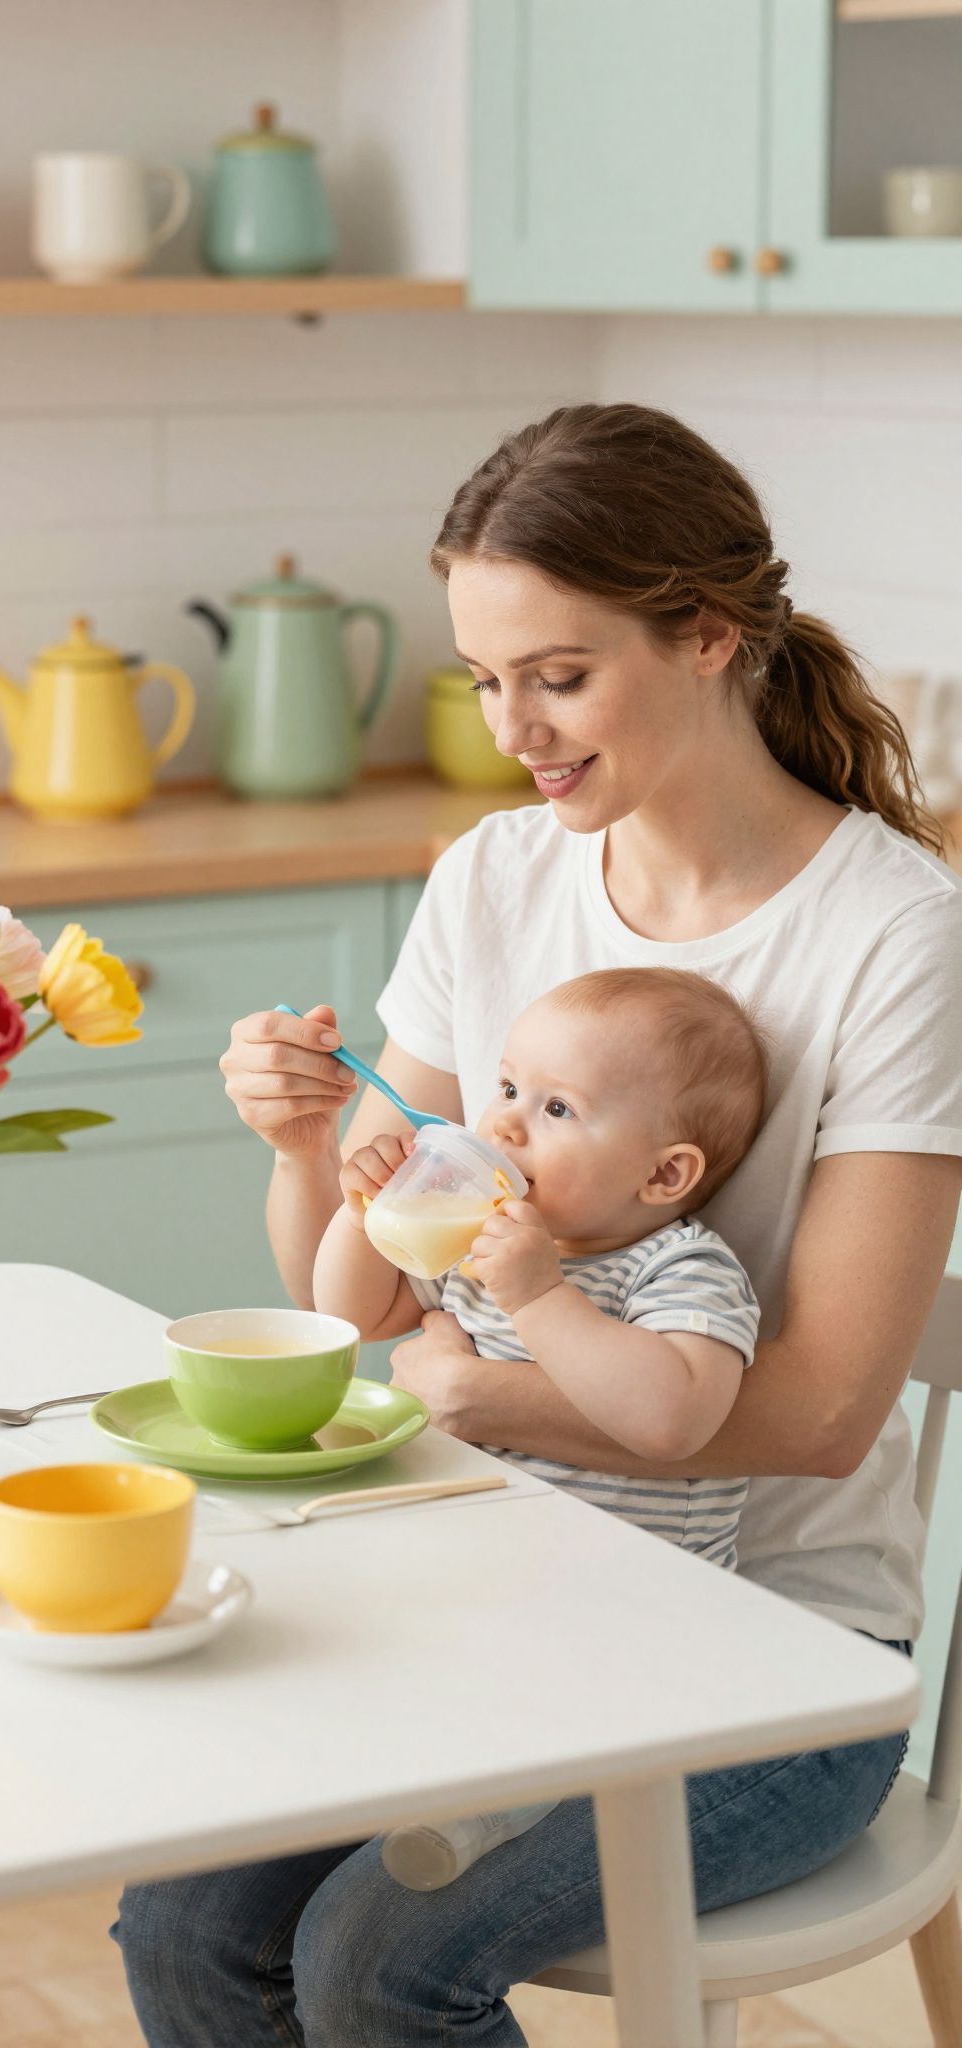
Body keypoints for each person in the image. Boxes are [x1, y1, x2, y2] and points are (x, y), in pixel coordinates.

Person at [114, 403, 962, 2047]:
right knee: (185, 1923)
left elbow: (821, 1414)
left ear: (708, 635)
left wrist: (494, 1394)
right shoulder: (491, 876)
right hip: (486, 1600)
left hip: (775, 1660)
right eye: (483, 678)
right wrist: (304, 1142)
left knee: (377, 1963)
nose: (513, 725)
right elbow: (356, 1297)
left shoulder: (895, 936)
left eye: (557, 676)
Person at [317, 967, 766, 1570]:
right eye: (506, 1089)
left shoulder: (681, 1268)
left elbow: (673, 1422)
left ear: (662, 1175)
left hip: (638, 1598)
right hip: (474, 1569)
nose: (504, 1122)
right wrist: (363, 1218)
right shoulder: (478, 1235)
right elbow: (354, 1314)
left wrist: (538, 1299)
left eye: (557, 1107)